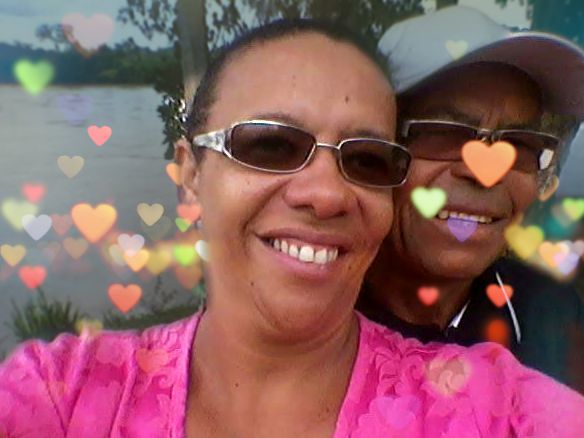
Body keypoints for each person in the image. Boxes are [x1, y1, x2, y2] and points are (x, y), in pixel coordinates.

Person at [1, 18, 584, 438]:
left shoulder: (519, 359)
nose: (326, 194)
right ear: (189, 174)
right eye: (270, 145)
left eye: (363, 157)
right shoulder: (63, 393)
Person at [360, 5, 584, 393]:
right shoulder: (312, 319)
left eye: (519, 143)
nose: (484, 173)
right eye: (443, 134)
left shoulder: (548, 316)